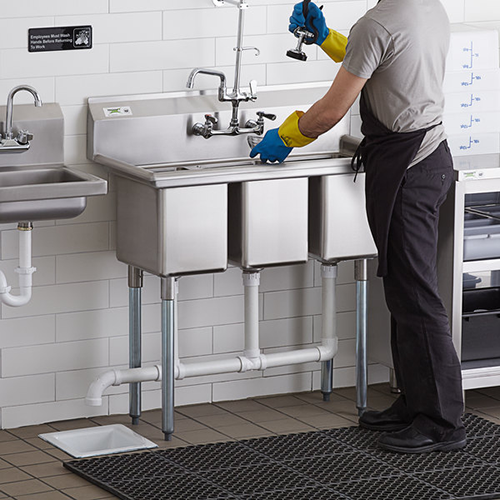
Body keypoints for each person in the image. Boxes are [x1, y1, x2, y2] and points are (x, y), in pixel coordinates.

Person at [250, 0, 466, 454]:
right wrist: (328, 38)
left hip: (409, 167)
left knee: (416, 294)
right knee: (404, 290)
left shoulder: (376, 23)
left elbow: (331, 111)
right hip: (431, 160)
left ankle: (442, 421)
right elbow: (380, 63)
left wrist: (287, 135)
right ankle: (416, 402)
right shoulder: (426, 8)